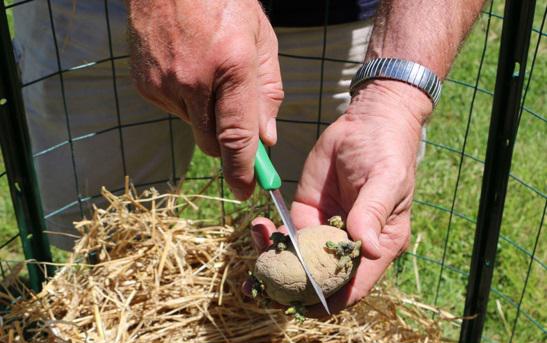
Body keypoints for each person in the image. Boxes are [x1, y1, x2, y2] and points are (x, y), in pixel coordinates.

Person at [14, 0, 484, 313]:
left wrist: (394, 99)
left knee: (346, 238)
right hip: (95, 11)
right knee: (104, 243)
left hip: (344, 17)